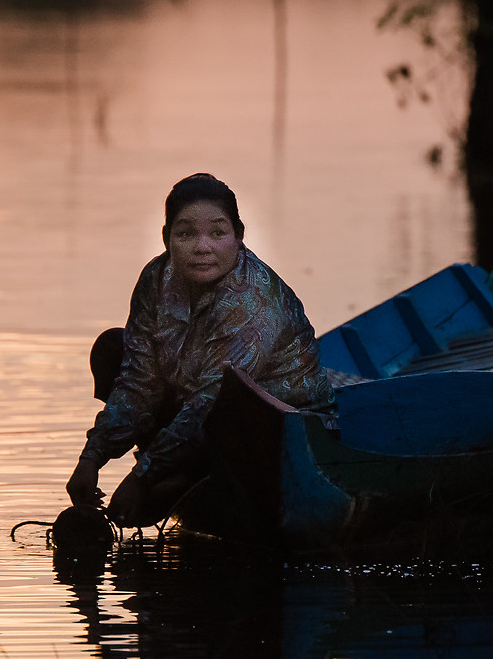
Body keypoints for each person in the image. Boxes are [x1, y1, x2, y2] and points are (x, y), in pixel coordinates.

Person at [67, 173, 331, 527]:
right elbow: (139, 381)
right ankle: (176, 472)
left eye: (218, 233)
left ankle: (184, 478)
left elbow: (210, 401)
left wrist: (141, 477)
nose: (202, 247)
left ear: (238, 236)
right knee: (113, 349)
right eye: (187, 234)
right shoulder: (155, 281)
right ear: (166, 239)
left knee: (230, 402)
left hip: (281, 433)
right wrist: (92, 458)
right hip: (203, 419)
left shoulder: (252, 300)